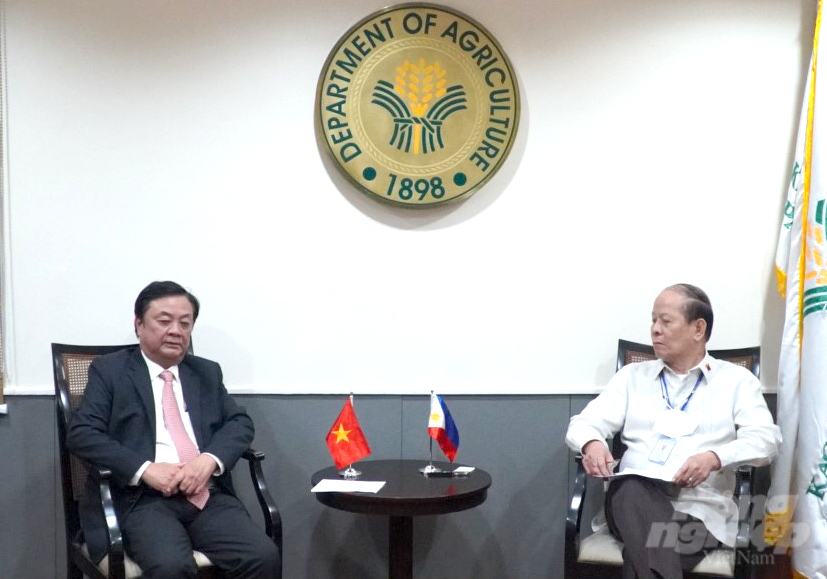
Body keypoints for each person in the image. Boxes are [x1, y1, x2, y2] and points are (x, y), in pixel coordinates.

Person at [565, 284, 780, 579]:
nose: (655, 329)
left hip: (700, 512)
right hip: (630, 500)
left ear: (698, 329)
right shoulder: (632, 378)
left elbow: (767, 440)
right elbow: (583, 423)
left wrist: (715, 457)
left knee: (645, 546)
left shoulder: (736, 382)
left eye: (665, 321)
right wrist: (592, 443)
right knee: (630, 489)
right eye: (653, 321)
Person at [67, 281, 280, 579]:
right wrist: (145, 469)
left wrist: (209, 460)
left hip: (205, 495)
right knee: (171, 567)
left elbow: (239, 423)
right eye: (164, 321)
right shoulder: (110, 371)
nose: (176, 330)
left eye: (185, 323)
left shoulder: (205, 372)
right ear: (139, 325)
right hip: (142, 500)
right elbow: (82, 433)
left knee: (262, 556)